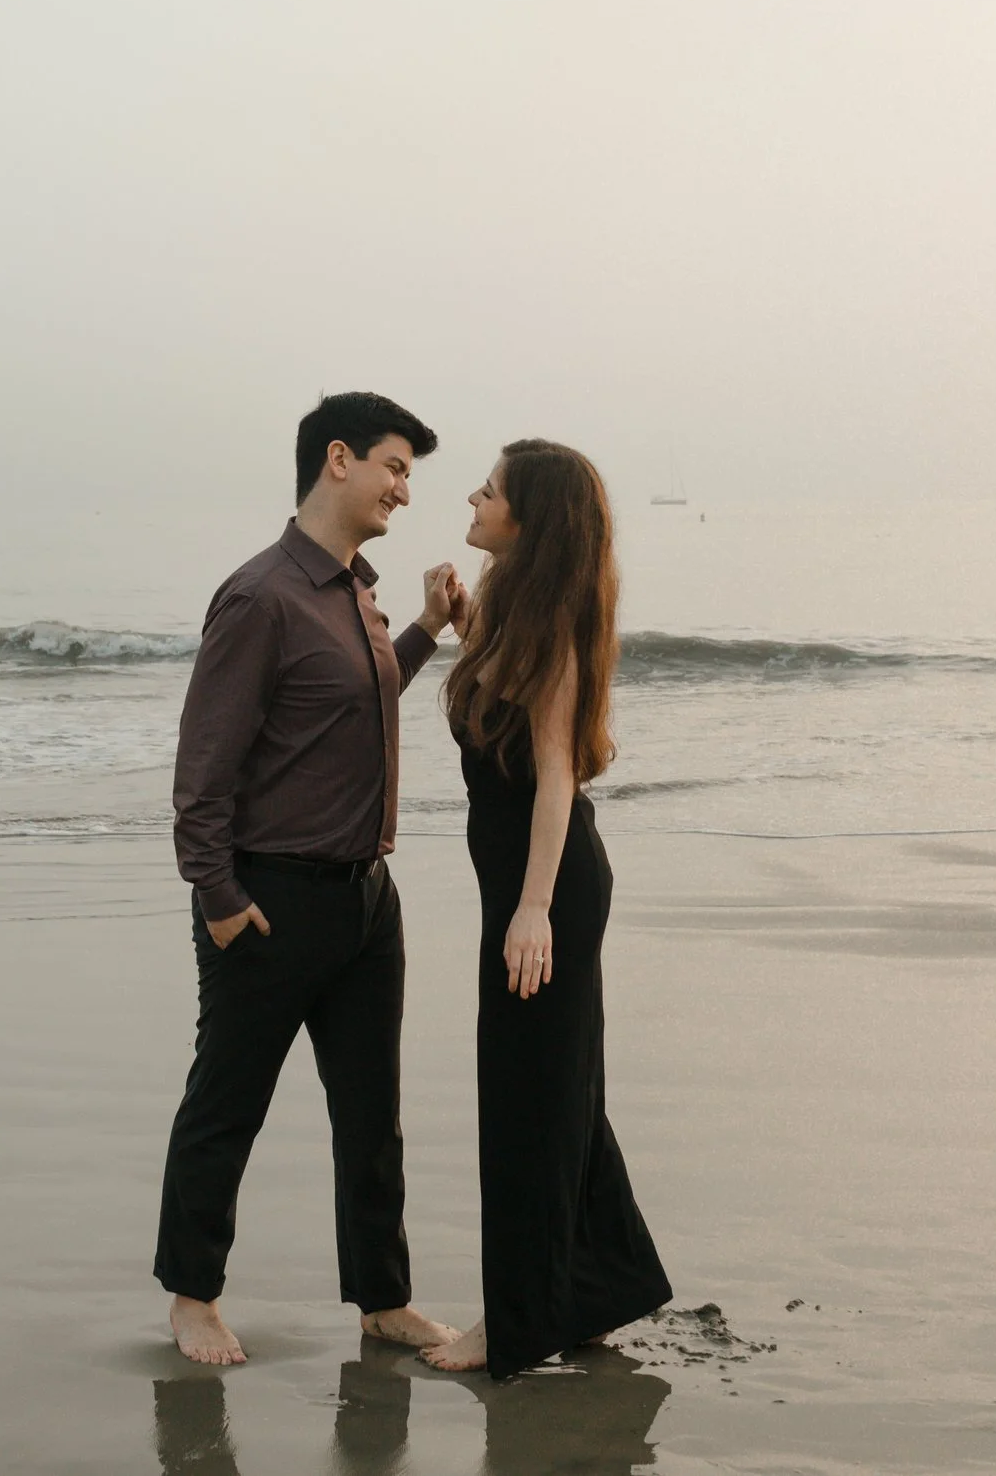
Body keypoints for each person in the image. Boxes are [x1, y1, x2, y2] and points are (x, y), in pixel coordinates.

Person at [158, 391, 467, 1366]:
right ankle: (193, 1295)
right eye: (394, 466)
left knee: (372, 1115)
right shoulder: (260, 596)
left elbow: (356, 701)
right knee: (227, 1103)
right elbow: (201, 774)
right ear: (338, 459)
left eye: (409, 472)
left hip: (366, 901)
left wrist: (419, 628)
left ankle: (384, 1299)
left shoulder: (355, 592)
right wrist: (218, 900)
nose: (404, 490)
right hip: (268, 899)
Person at [424, 439, 672, 1377]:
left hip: (550, 888)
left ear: (526, 518)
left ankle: (513, 1323)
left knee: (527, 1102)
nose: (475, 498)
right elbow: (509, 734)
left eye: (490, 489)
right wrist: (456, 622)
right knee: (560, 1096)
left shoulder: (554, 631)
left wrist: (533, 912)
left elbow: (556, 780)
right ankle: (597, 1290)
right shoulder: (514, 620)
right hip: (531, 886)